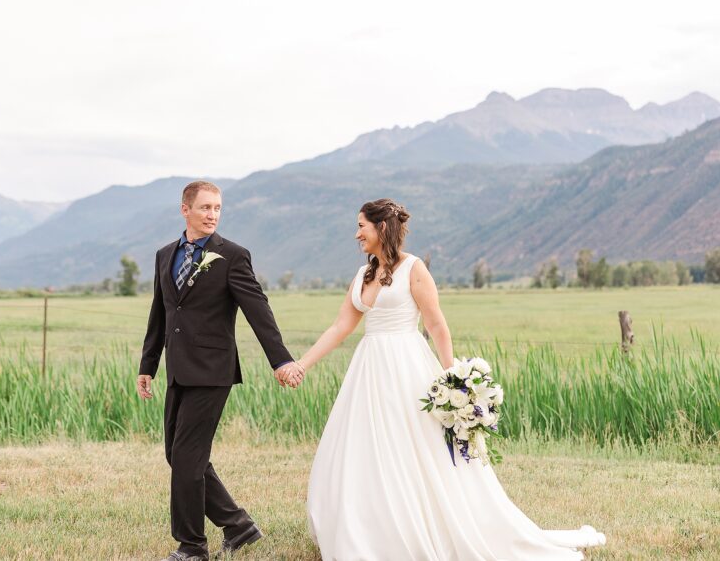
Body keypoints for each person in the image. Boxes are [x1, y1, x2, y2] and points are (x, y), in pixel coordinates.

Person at [296, 198, 606, 560]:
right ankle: (372, 528)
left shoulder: (414, 269)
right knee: (365, 447)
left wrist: (452, 379)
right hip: (369, 370)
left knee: (417, 449)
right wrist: (302, 364)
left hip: (407, 366)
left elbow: (436, 324)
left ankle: (429, 525)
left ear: (381, 228)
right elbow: (341, 327)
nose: (356, 234)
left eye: (361, 226)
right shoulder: (363, 275)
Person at [137, 180, 305, 561]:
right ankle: (238, 526)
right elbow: (160, 313)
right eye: (205, 208)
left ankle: (192, 547)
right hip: (178, 369)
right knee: (178, 456)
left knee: (186, 458)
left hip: (213, 370)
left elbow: (257, 309)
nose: (212, 214)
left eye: (217, 208)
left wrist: (280, 359)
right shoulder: (165, 255)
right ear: (185, 209)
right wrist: (148, 365)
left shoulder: (232, 255)